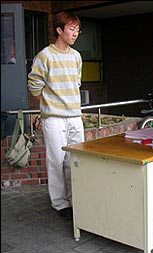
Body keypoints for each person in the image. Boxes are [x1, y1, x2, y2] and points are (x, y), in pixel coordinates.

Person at [27, 11, 84, 219]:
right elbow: (34, 86)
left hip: (75, 116)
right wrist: (48, 103)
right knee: (57, 160)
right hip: (54, 118)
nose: (75, 33)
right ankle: (59, 203)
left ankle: (74, 199)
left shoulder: (77, 57)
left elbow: (76, 84)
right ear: (59, 30)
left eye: (77, 30)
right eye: (71, 29)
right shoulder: (45, 56)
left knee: (75, 159)